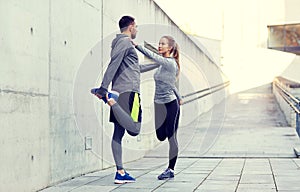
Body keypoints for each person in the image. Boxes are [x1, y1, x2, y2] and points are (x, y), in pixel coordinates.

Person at [92, 15, 159, 184]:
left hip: (122, 91)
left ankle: (120, 172)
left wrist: (158, 63)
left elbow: (136, 68)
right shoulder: (125, 42)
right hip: (128, 93)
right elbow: (113, 64)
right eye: (136, 27)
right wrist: (103, 87)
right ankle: (110, 100)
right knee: (135, 129)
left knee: (118, 133)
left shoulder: (124, 44)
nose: (136, 30)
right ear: (130, 27)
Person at [132, 35, 183, 180]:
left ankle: (170, 169)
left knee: (171, 136)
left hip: (170, 105)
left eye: (163, 44)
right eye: (159, 43)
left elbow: (153, 55)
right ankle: (170, 132)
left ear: (170, 48)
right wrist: (180, 96)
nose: (160, 46)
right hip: (158, 103)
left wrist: (137, 46)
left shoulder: (170, 63)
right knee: (160, 135)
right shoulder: (162, 64)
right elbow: (170, 83)